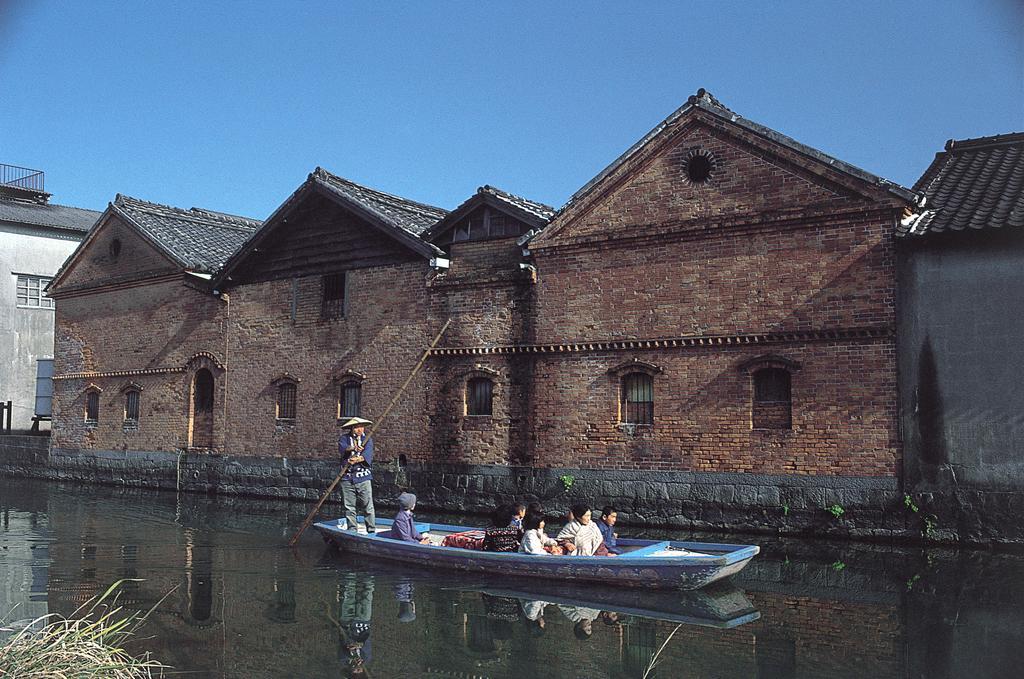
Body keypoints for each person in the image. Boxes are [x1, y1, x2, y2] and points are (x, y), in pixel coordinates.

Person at [339, 417, 375, 533]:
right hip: (347, 478)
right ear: (352, 428)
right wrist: (353, 448)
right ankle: (352, 529)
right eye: (356, 427)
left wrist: (358, 459)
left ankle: (371, 529)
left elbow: (367, 455)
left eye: (361, 427)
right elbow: (343, 449)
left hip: (363, 478)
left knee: (368, 506)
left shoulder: (367, 440)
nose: (359, 430)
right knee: (349, 507)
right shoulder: (344, 438)